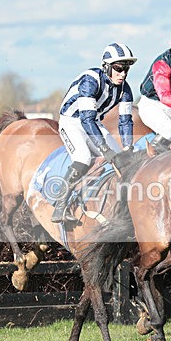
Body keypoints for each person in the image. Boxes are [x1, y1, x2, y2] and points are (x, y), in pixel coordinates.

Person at [53, 42, 137, 223]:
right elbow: (86, 119)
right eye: (118, 68)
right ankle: (59, 205)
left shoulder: (125, 90)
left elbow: (125, 120)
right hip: (72, 121)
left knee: (120, 159)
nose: (122, 74)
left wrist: (128, 145)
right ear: (106, 66)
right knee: (83, 157)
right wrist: (102, 147)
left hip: (94, 122)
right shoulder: (90, 81)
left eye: (126, 70)